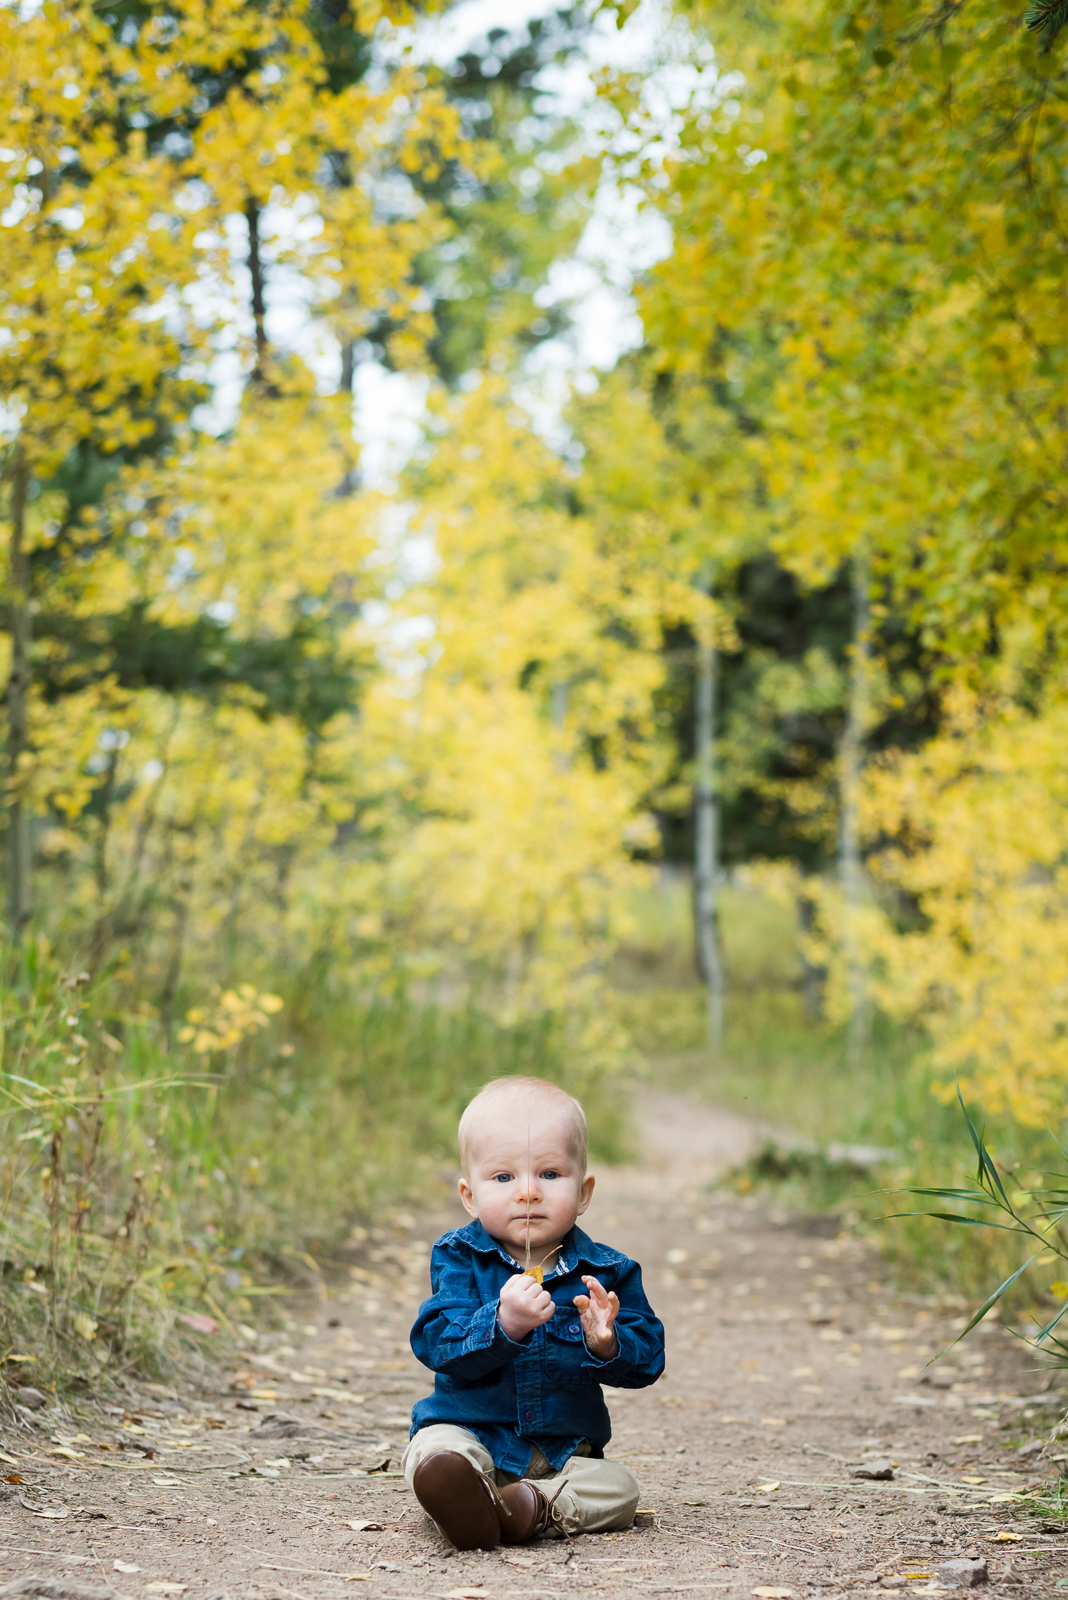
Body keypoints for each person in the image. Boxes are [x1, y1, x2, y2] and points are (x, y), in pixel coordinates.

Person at [403, 1075, 665, 1549]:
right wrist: (503, 1324)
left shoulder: (608, 1272)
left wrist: (609, 1343)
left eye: (549, 1174)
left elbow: (647, 1360)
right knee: (434, 1450)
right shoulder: (459, 1257)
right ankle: (463, 1494)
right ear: (470, 1196)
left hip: (561, 1457)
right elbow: (437, 1341)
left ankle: (527, 1508)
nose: (528, 1192)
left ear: (583, 1192)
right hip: (472, 1435)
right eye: (504, 1178)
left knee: (620, 1488)